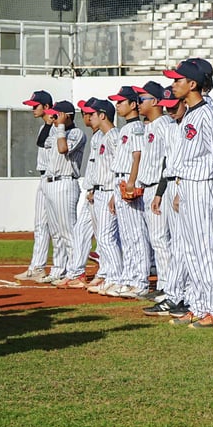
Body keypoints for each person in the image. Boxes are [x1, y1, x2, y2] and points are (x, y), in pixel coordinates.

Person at [163, 58, 213, 328]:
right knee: (189, 249)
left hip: (203, 183)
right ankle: (199, 305)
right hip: (187, 184)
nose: (173, 84)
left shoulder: (207, 112)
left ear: (192, 84)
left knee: (204, 249)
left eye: (177, 80)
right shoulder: (189, 112)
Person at [144, 90, 191, 317]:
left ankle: (179, 294)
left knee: (181, 244)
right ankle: (174, 293)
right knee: (175, 244)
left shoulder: (187, 123)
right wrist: (162, 192)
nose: (170, 110)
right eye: (168, 106)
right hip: (169, 183)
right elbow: (167, 161)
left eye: (174, 106)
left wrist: (176, 189)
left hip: (182, 184)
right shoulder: (173, 125)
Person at [105, 86, 153, 299]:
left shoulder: (135, 128)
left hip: (128, 179)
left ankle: (140, 282)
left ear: (133, 104)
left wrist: (132, 182)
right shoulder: (126, 128)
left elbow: (138, 155)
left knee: (136, 235)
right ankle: (129, 278)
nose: (117, 105)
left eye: (121, 101)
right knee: (127, 236)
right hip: (120, 179)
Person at [134, 81, 177, 304]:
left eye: (142, 99)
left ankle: (169, 286)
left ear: (156, 101)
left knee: (161, 240)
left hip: (161, 187)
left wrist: (160, 191)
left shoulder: (165, 124)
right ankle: (163, 283)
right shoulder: (149, 126)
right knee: (156, 240)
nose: (138, 103)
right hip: (148, 188)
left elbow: (166, 162)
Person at [39, 101, 86, 287]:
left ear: (66, 115)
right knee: (56, 232)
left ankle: (77, 272)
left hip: (65, 182)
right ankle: (59, 269)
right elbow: (42, 142)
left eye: (57, 114)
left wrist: (60, 126)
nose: (53, 117)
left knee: (68, 231)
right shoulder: (54, 131)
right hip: (50, 182)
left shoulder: (76, 133)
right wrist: (53, 125)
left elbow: (63, 148)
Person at [55, 99, 100, 289]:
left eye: (89, 113)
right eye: (84, 113)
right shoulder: (97, 137)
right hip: (92, 192)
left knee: (106, 237)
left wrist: (96, 188)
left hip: (102, 192)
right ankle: (77, 273)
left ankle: (108, 274)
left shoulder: (102, 136)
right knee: (80, 232)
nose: (85, 116)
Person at [82, 98, 124, 296]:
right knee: (103, 238)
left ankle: (115, 277)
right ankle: (108, 274)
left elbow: (119, 169)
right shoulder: (102, 137)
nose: (89, 117)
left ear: (102, 115)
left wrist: (116, 193)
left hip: (109, 191)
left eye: (92, 114)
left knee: (107, 238)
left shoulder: (114, 136)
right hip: (99, 191)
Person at [15, 90, 53, 282]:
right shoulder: (43, 128)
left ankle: (70, 269)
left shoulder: (57, 126)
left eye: (35, 106)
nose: (32, 109)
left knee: (59, 229)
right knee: (39, 225)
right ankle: (37, 267)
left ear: (46, 107)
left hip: (57, 180)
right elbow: (41, 141)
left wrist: (50, 122)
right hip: (43, 178)